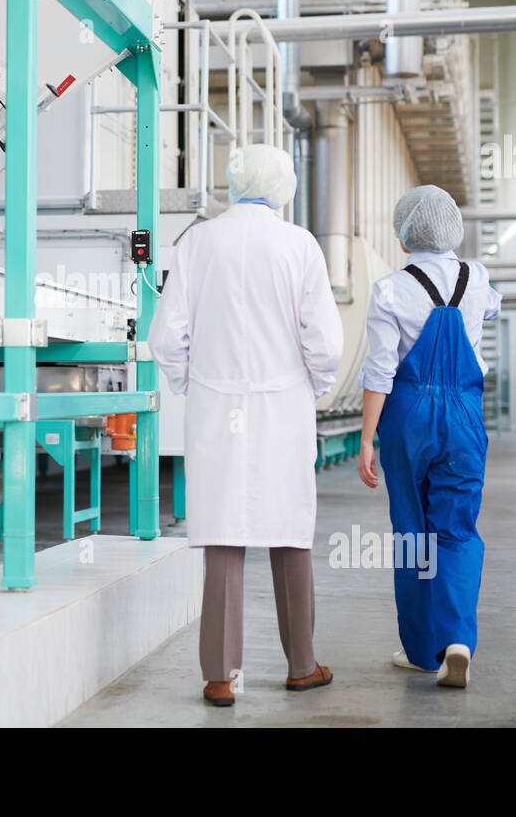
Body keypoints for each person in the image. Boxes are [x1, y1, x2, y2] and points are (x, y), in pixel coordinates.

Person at [150, 144, 344, 707]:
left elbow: (166, 337)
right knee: (289, 531)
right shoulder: (299, 245)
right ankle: (302, 666)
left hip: (217, 406)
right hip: (283, 406)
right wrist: (316, 387)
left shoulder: (196, 242)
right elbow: (325, 342)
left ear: (232, 183)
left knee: (224, 534)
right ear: (284, 186)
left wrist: (192, 383)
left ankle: (220, 676)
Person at [356, 184, 502, 688]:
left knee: (412, 536)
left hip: (408, 416)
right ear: (454, 230)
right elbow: (492, 309)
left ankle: (421, 652)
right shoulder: (477, 277)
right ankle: (457, 640)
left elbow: (379, 372)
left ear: (403, 238)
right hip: (463, 414)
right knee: (457, 529)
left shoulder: (390, 288)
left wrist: (366, 440)